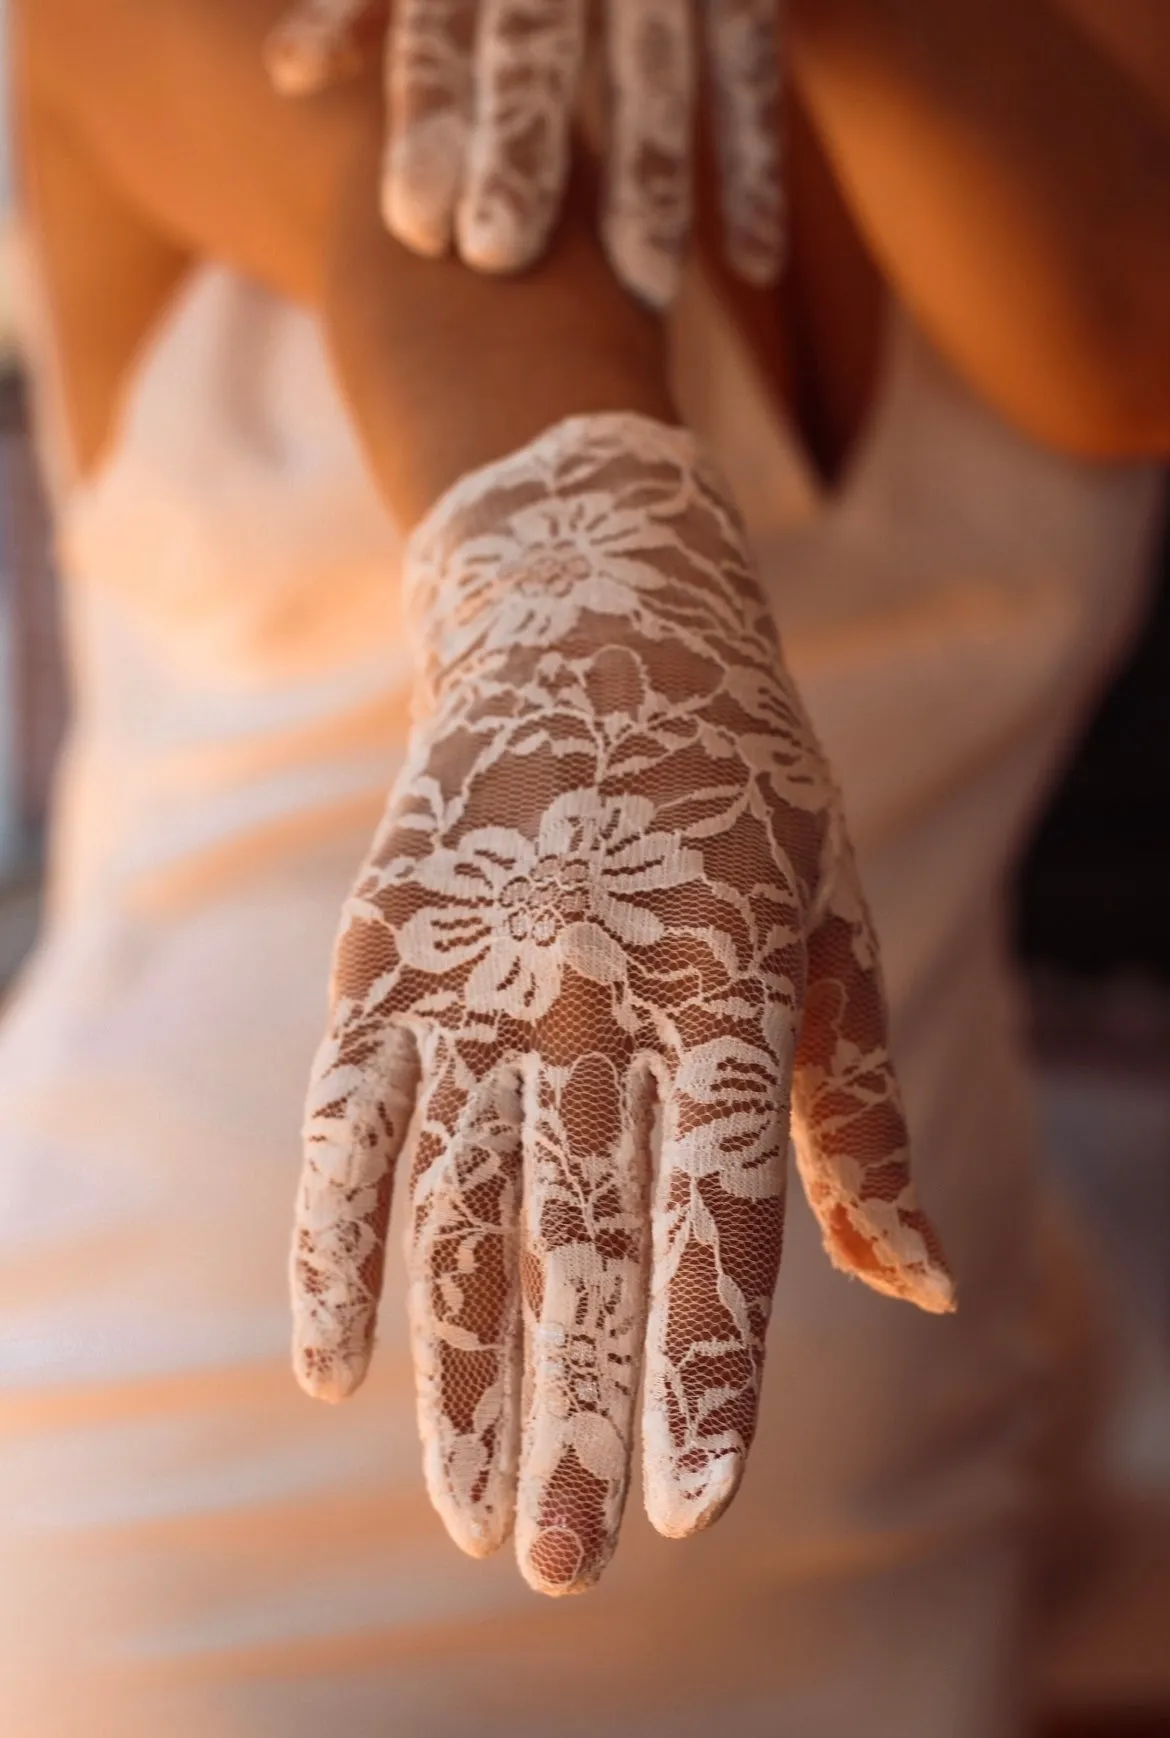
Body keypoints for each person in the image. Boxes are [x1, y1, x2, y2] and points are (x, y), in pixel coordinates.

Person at [2, 0, 1168, 1731]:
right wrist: (576, 550)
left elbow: (1121, 320)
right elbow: (456, 231)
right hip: (199, 1493)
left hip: (878, 1520)